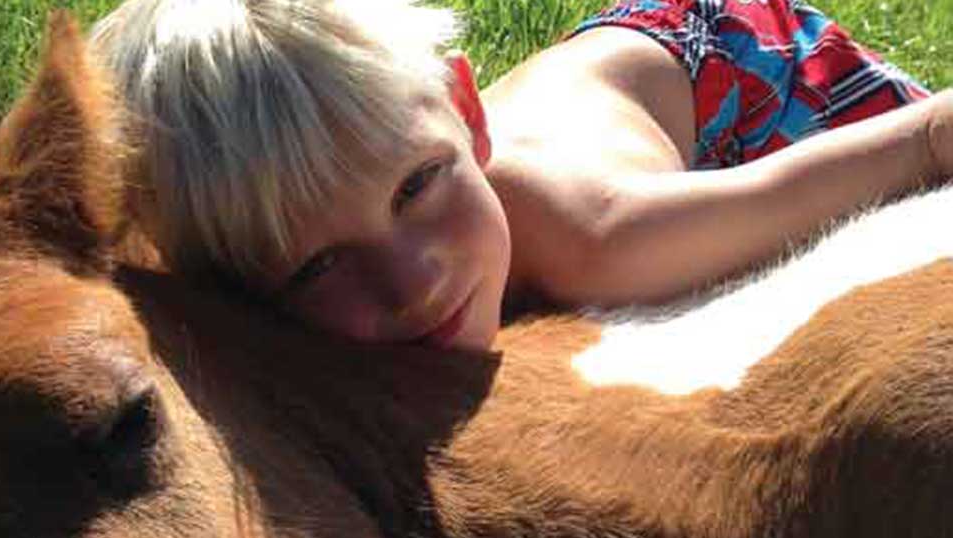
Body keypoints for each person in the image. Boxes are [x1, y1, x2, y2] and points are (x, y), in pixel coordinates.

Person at [88, 0, 951, 352]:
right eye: (313, 267)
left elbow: (918, 148)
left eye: (417, 186)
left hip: (737, 71)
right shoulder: (395, 150)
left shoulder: (595, 237)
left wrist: (927, 140)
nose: (414, 280)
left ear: (466, 112)